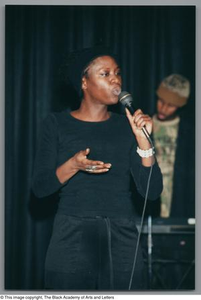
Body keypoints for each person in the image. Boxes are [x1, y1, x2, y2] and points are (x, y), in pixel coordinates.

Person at [32, 46, 163, 290]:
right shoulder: (57, 124)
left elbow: (152, 192)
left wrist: (144, 141)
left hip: (121, 235)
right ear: (84, 82)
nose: (116, 80)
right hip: (72, 234)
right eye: (105, 74)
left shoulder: (127, 127)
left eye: (117, 73)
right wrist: (73, 165)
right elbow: (40, 188)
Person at [152, 74, 192, 218]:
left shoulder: (189, 132)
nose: (163, 108)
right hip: (151, 202)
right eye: (161, 101)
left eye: (171, 105)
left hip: (179, 202)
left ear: (180, 106)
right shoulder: (144, 126)